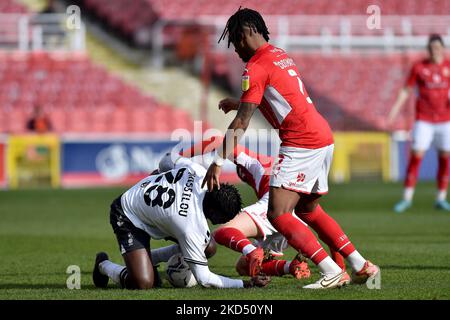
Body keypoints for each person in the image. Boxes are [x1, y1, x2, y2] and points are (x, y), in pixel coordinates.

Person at [202, 8, 379, 289]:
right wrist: (240, 101)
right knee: (308, 211)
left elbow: (243, 121)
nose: (235, 50)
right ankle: (361, 264)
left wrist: (218, 160)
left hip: (301, 141)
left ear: (248, 32)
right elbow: (281, 97)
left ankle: (331, 270)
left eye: (235, 41)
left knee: (279, 213)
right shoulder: (280, 55)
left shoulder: (256, 66)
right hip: (321, 135)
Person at [180, 137, 349, 282]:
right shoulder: (277, 171)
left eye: (242, 175)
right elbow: (325, 230)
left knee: (223, 232)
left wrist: (181, 156)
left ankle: (253, 250)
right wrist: (340, 266)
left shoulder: (256, 161)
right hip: (292, 217)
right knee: (243, 267)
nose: (244, 178)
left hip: (276, 206)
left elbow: (217, 140)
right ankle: (293, 266)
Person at [92, 156, 270, 289]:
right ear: (215, 214)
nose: (220, 222)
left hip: (148, 203)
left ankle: (147, 259)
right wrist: (246, 283)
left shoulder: (201, 173)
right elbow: (205, 279)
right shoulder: (191, 227)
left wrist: (158, 177)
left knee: (209, 247)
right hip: (127, 213)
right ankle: (104, 265)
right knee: (143, 282)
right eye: (222, 219)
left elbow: (167, 160)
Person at [388, 34, 450, 213]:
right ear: (428, 49)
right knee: (416, 156)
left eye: (437, 48)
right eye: (431, 48)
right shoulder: (419, 67)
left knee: (445, 159)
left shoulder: (448, 66)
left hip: (445, 120)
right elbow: (406, 91)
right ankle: (406, 198)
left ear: (442, 48)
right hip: (424, 120)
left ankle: (440, 197)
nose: (434, 51)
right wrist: (394, 112)